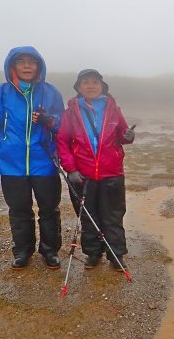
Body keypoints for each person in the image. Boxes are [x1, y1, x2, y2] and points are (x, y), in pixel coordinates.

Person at [0, 46, 64, 270]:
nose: (27, 66)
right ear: (13, 66)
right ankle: (23, 251)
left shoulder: (51, 92)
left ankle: (50, 250)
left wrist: (50, 120)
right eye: (21, 61)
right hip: (12, 164)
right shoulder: (1, 92)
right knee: (19, 210)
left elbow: (65, 126)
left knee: (49, 209)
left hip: (44, 162)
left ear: (39, 66)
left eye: (32, 62)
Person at [56, 69, 135, 271]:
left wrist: (128, 135)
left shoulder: (113, 109)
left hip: (112, 174)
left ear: (102, 86)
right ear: (79, 88)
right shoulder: (71, 112)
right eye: (85, 82)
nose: (90, 86)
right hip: (82, 176)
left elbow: (124, 137)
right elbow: (62, 142)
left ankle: (116, 255)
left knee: (113, 216)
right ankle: (93, 254)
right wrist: (71, 169)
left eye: (95, 82)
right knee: (88, 217)